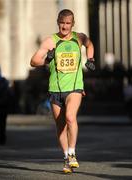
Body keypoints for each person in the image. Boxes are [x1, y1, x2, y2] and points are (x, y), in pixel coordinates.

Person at [30, 9, 94, 173]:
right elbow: (33, 61)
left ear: (72, 24)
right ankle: (66, 158)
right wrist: (47, 60)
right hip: (55, 89)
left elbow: (89, 44)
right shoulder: (50, 41)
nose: (64, 27)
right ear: (58, 22)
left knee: (70, 117)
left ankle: (72, 153)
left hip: (75, 88)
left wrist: (91, 58)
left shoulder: (78, 38)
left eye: (68, 23)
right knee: (60, 127)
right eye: (62, 23)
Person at [0, 67, 11, 145]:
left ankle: (2, 138)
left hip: (3, 105)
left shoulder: (4, 81)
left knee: (2, 123)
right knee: (2, 124)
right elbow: (9, 94)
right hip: (3, 105)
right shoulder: (5, 81)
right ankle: (2, 139)